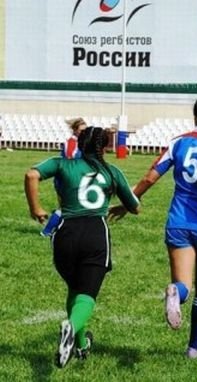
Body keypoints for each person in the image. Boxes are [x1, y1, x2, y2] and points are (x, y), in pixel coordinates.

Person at [110, 95, 197, 359]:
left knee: (183, 283)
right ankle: (193, 347)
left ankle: (177, 292)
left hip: (178, 222)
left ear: (195, 116)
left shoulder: (178, 141)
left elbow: (150, 177)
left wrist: (129, 202)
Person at [24, 126, 140, 368]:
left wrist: (35, 208)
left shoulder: (63, 164)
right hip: (95, 232)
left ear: (79, 144)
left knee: (75, 288)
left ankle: (81, 345)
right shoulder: (111, 171)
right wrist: (121, 204)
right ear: (106, 147)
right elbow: (135, 206)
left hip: (65, 232)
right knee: (87, 293)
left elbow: (31, 175)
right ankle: (72, 326)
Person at [41, 117, 88, 237]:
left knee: (70, 206)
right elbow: (69, 159)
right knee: (66, 207)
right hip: (66, 179)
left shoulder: (81, 143)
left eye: (85, 130)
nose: (84, 132)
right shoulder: (72, 143)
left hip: (73, 178)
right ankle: (47, 231)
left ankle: (60, 230)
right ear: (75, 130)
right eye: (81, 130)